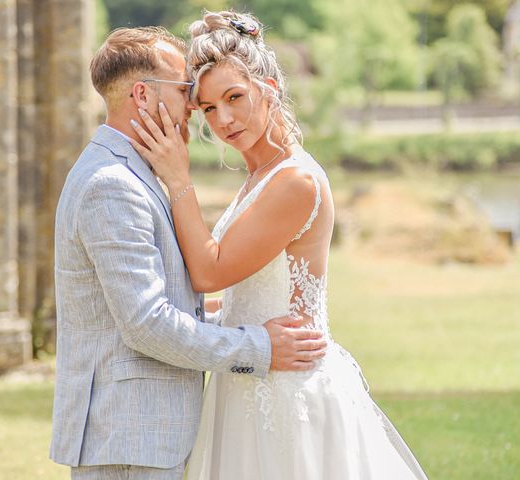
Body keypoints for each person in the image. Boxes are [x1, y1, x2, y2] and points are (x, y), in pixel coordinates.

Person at [130, 11, 429, 479]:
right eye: (208, 108)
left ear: (267, 87)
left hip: (288, 393)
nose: (224, 119)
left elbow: (209, 271)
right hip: (248, 375)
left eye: (234, 98)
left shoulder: (296, 181)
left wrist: (177, 178)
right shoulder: (261, 175)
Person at [49, 27, 328, 480]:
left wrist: (252, 323)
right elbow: (147, 323)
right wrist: (259, 345)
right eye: (186, 92)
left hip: (146, 435)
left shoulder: (131, 173)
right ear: (143, 94)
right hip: (130, 434)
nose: (195, 109)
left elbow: (168, 305)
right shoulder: (112, 186)